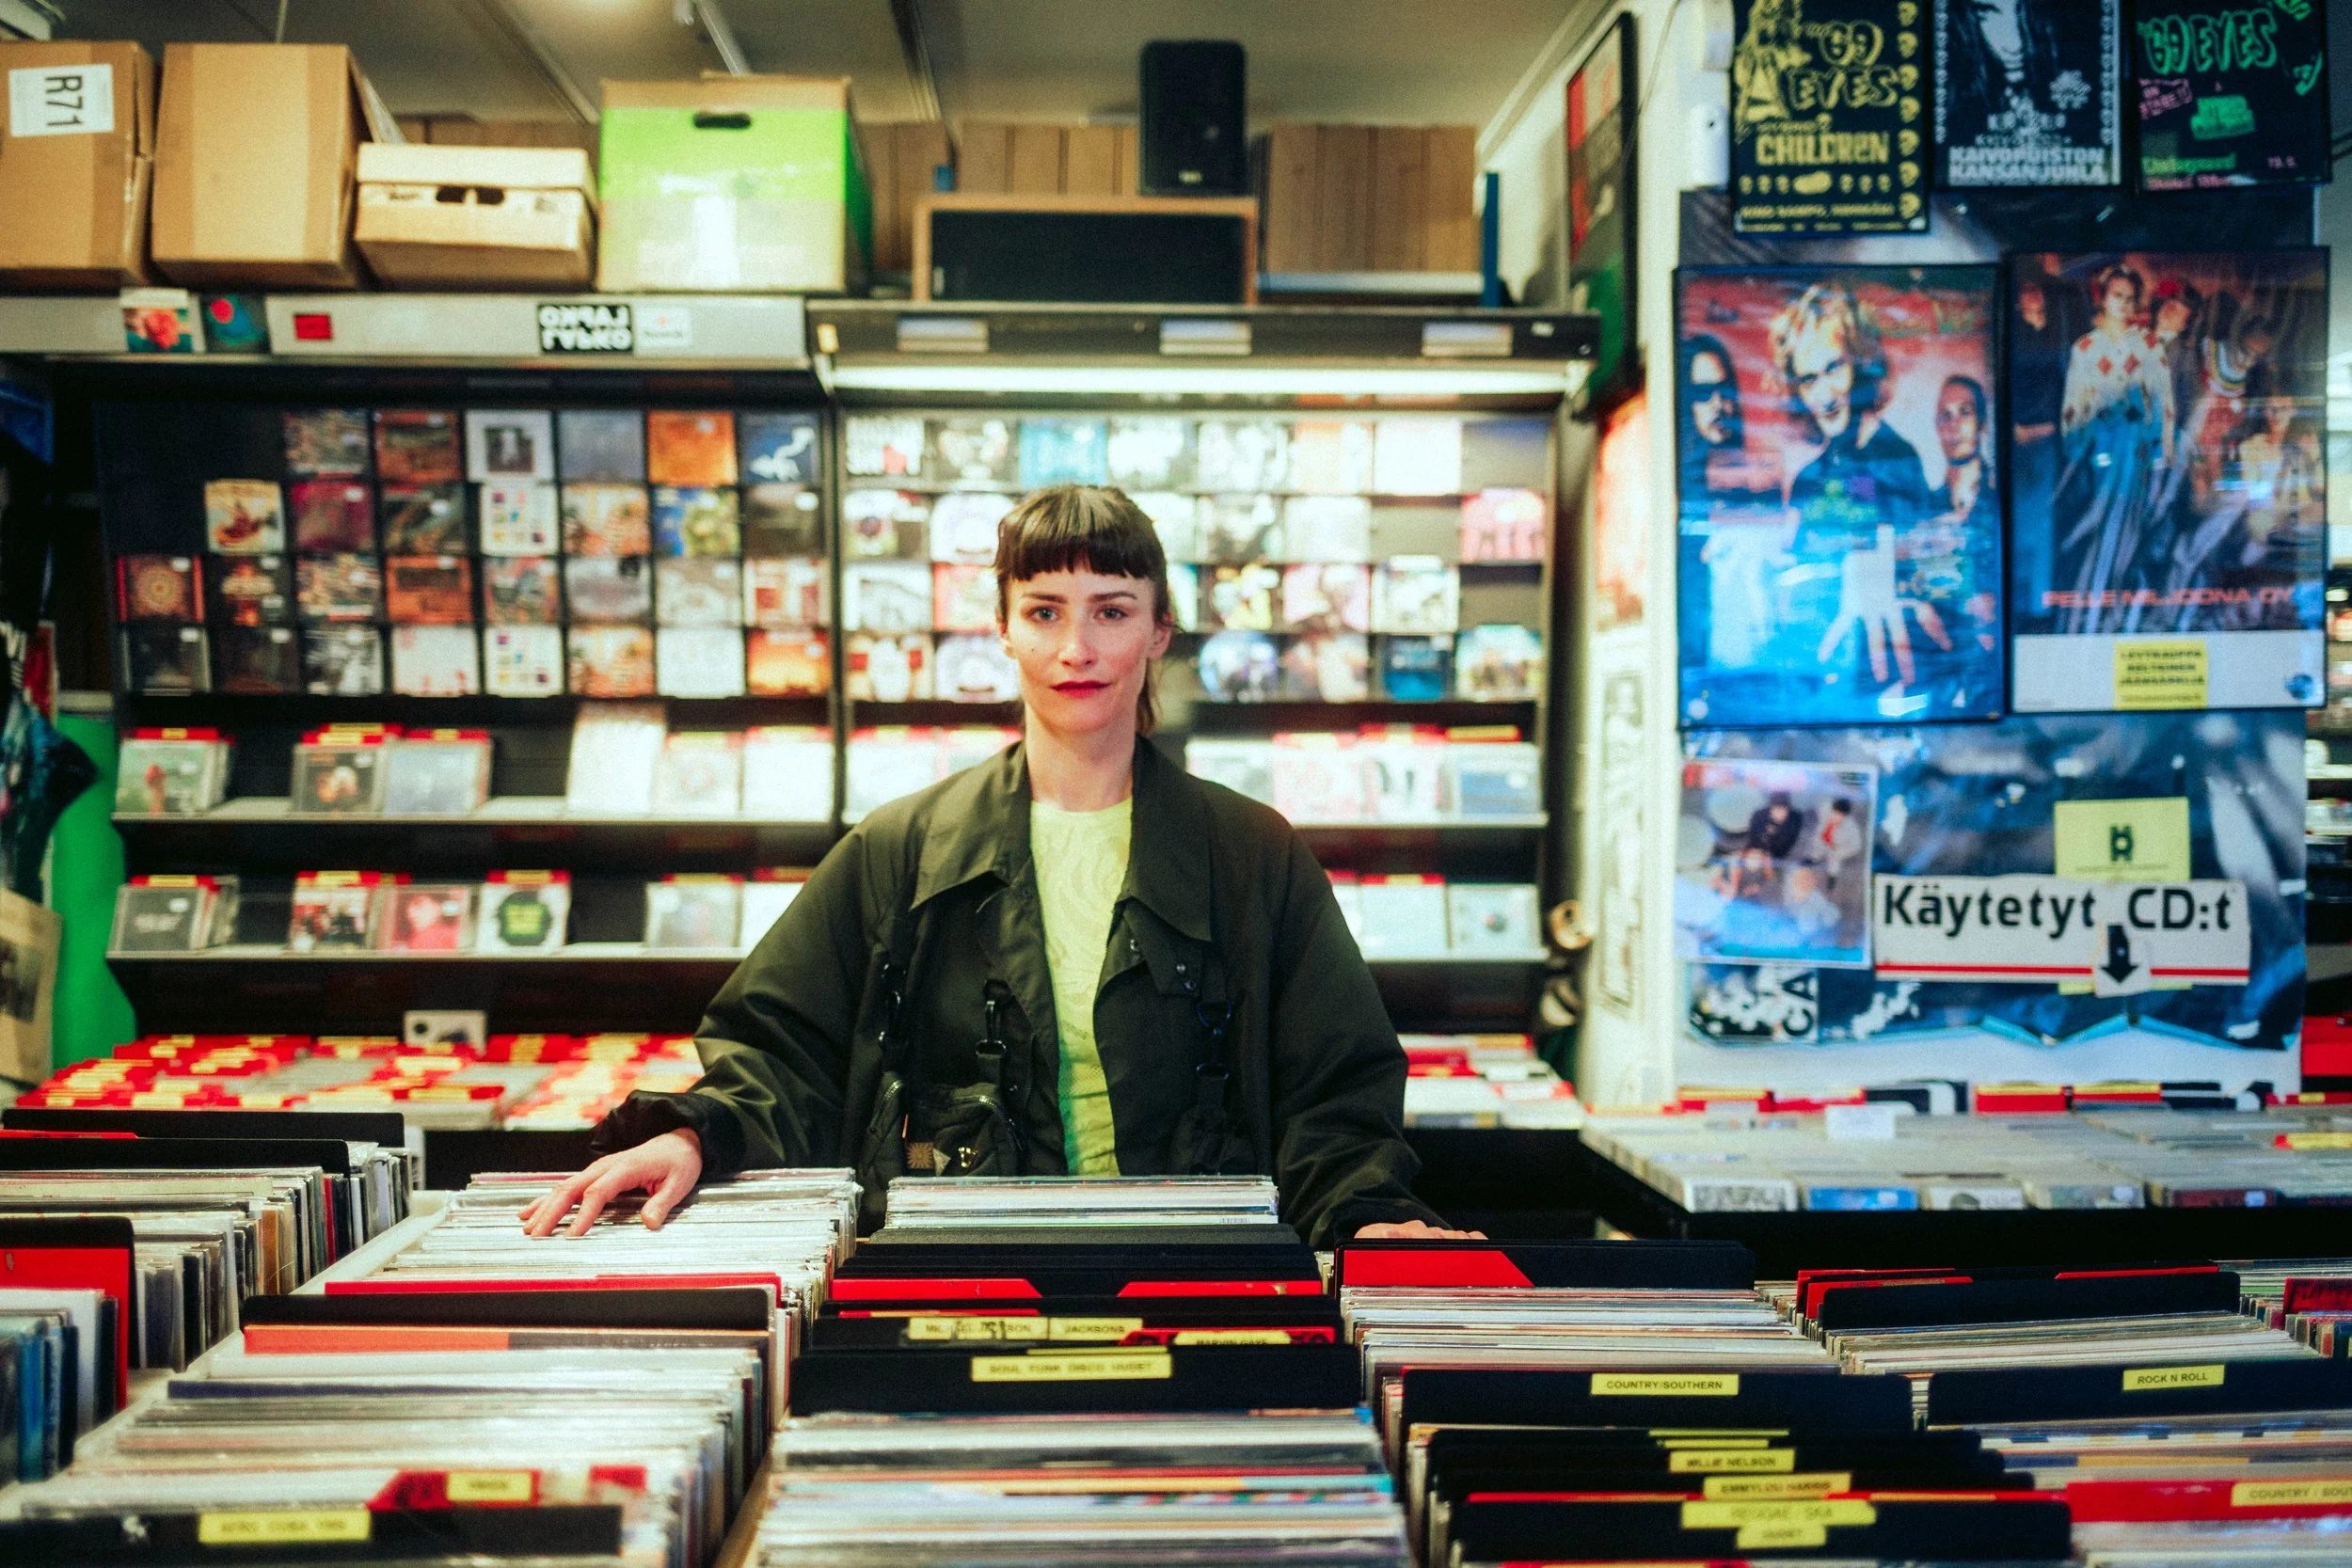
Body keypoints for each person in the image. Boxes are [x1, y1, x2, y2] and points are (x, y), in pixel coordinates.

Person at [522, 484, 1468, 1248]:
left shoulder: (1253, 852)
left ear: (1159, 632)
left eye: (1112, 611)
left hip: (1197, 1272)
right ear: (1002, 629)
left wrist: (1367, 1211)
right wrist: (694, 1131)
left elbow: (1333, 1081)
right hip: (966, 1272)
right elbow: (782, 1040)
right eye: (1044, 610)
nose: (1076, 648)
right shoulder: (904, 847)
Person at [1772, 282, 1939, 693]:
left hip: (1889, 676)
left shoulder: (1897, 459)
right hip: (1820, 675)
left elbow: (1929, 567)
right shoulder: (1809, 478)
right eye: (1809, 380)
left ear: (1862, 365)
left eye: (1834, 368)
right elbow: (1792, 581)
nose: (1824, 395)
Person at [2055, 262, 2172, 633]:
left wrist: (2159, 457)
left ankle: (2113, 621)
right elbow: (2074, 406)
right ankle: (2080, 622)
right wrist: (2080, 452)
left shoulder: (2149, 345)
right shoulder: (2086, 348)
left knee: (2129, 536)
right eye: (2116, 295)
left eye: (2129, 297)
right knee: (2095, 534)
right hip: (2101, 455)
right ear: (2102, 298)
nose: (2123, 303)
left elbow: (2163, 402)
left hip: (2137, 453)